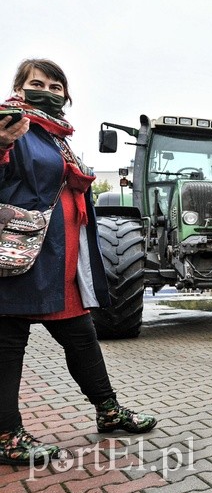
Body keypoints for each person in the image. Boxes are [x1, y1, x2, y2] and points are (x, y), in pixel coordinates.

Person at [0, 59, 157, 466]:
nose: (48, 91)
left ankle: (108, 411)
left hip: (60, 264)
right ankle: (5, 435)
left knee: (82, 337)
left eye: (56, 87)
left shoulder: (57, 138)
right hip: (20, 258)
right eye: (38, 83)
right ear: (19, 88)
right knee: (7, 342)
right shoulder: (12, 127)